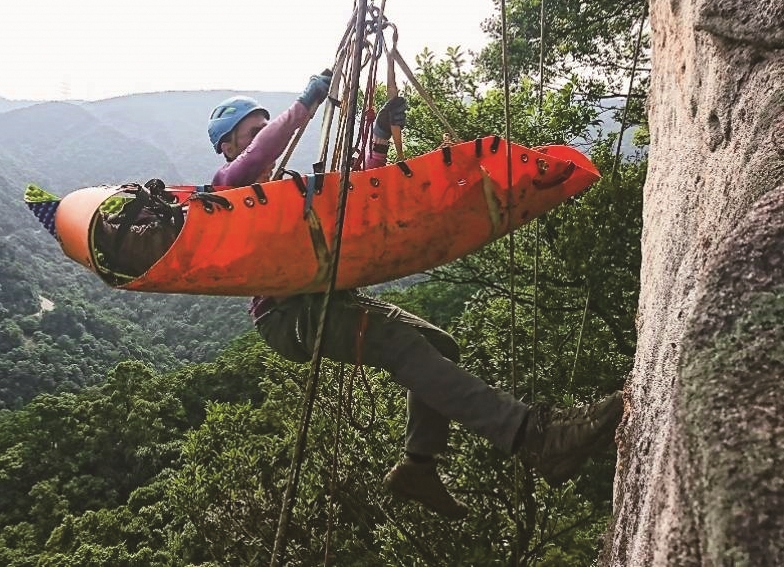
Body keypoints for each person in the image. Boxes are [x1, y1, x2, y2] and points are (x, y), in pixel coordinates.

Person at [207, 73, 623, 519]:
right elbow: (253, 160)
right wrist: (305, 105)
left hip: (329, 298)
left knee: (441, 345)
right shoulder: (228, 190)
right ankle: (534, 437)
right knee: (401, 346)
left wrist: (380, 134)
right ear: (228, 146)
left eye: (262, 128)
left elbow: (357, 193)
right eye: (252, 133)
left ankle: (417, 466)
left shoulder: (289, 192)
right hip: (289, 317)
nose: (263, 140)